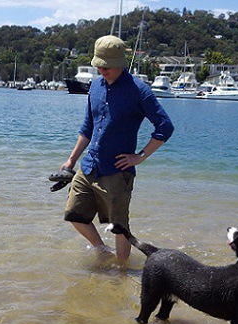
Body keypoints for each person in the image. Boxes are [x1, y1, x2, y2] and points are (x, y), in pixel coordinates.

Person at [60, 35, 174, 261]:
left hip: (117, 171)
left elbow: (165, 126)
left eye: (107, 66)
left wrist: (139, 156)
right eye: (99, 65)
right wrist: (71, 160)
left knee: (119, 227)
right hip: (89, 166)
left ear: (121, 63)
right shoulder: (95, 87)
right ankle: (102, 251)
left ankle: (122, 272)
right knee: (74, 214)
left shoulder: (139, 91)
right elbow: (87, 128)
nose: (102, 70)